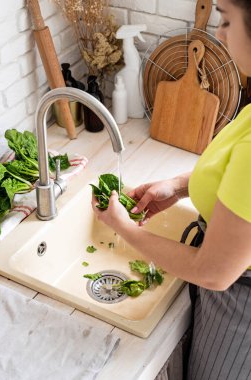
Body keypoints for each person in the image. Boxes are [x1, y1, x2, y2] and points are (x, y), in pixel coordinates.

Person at [91, 0, 251, 379]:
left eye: (227, 21)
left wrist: (124, 228)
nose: (220, 33)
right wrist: (179, 186)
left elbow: (213, 272)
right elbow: (235, 179)